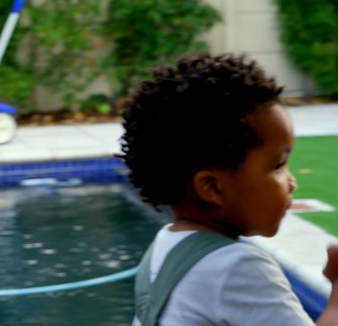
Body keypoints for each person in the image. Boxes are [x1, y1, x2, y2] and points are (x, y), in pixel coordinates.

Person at [120, 53, 338, 325]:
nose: (292, 183)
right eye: (278, 166)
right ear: (212, 187)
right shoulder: (237, 268)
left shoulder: (166, 247)